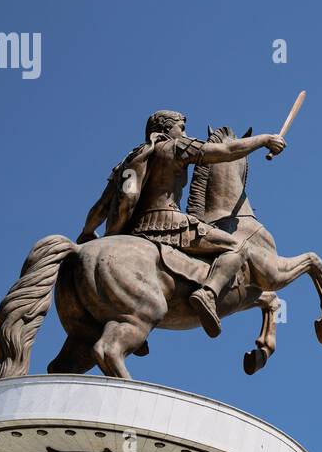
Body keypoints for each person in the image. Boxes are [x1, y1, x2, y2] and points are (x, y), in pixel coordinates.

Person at [77, 110, 286, 337]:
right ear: (167, 129)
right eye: (181, 127)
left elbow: (102, 206)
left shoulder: (130, 162)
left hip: (135, 232)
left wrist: (87, 232)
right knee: (237, 247)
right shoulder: (175, 147)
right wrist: (264, 139)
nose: (184, 132)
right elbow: (226, 151)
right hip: (168, 221)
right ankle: (208, 293)